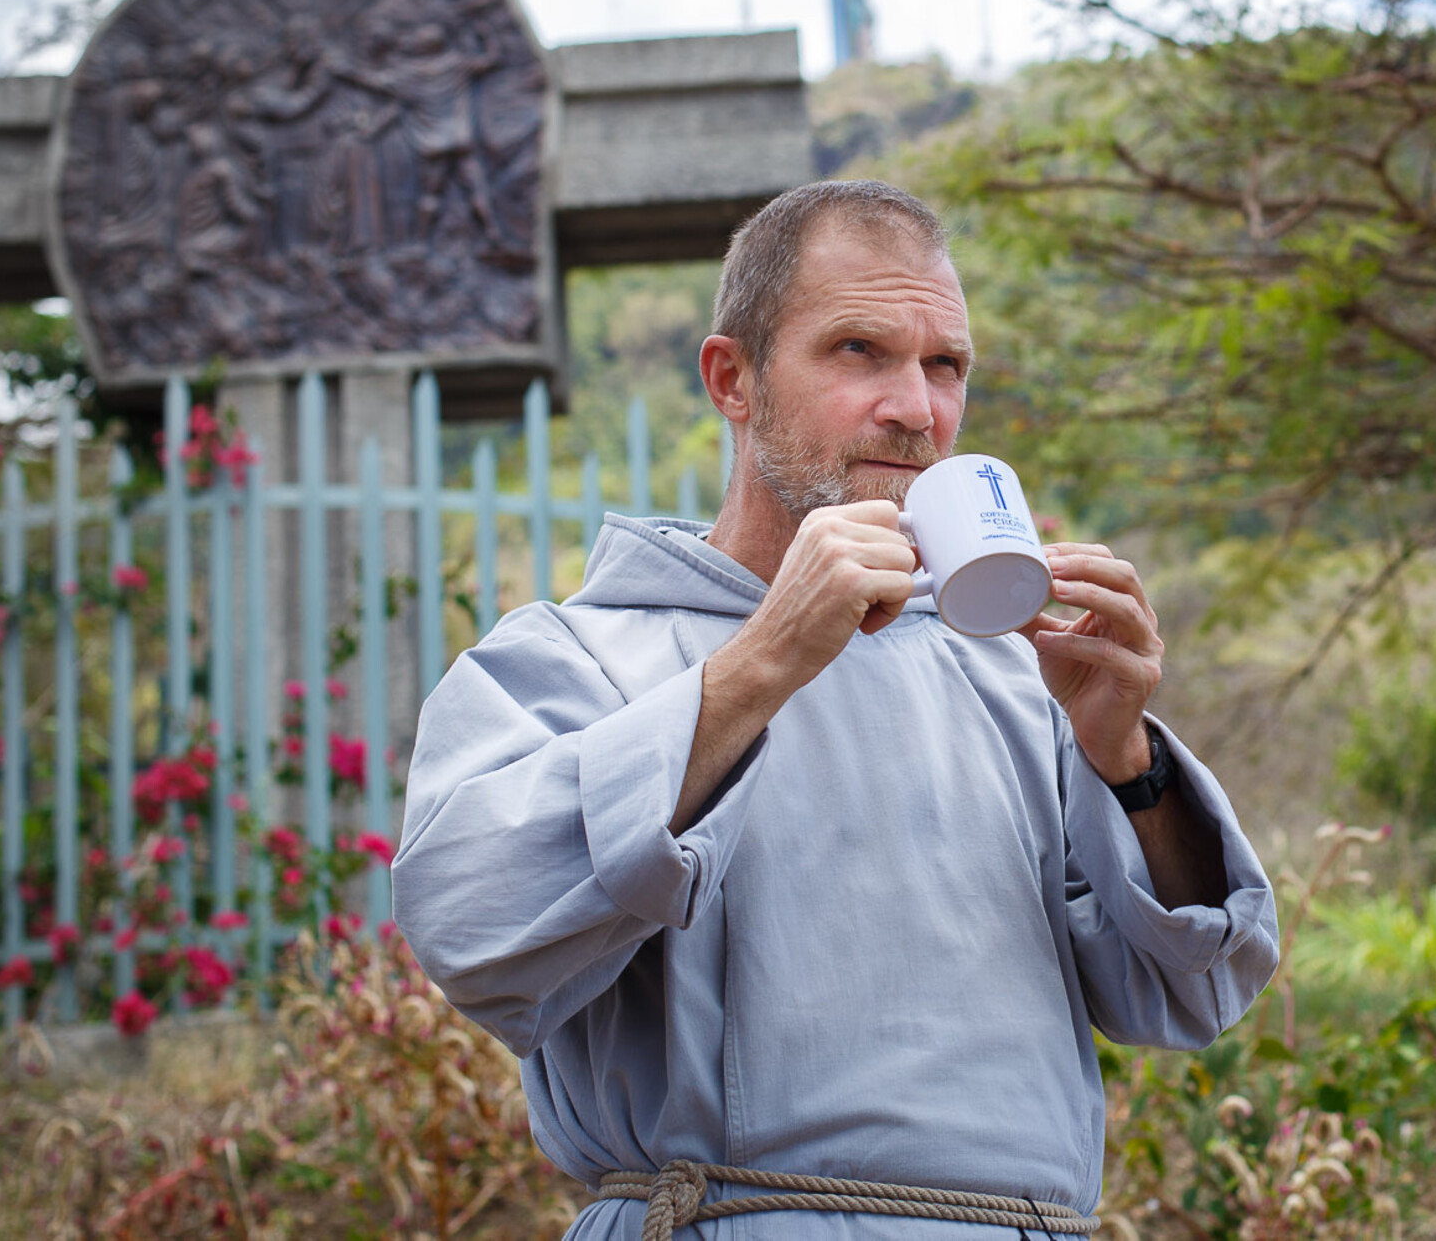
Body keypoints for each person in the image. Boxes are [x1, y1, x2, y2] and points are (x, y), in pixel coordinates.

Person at [393, 180, 1279, 1240]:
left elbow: (1187, 993)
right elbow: (467, 932)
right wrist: (766, 656)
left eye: (942, 364)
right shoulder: (571, 655)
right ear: (733, 378)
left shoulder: (1008, 672)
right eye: (858, 349)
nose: (915, 408)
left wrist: (1123, 756)